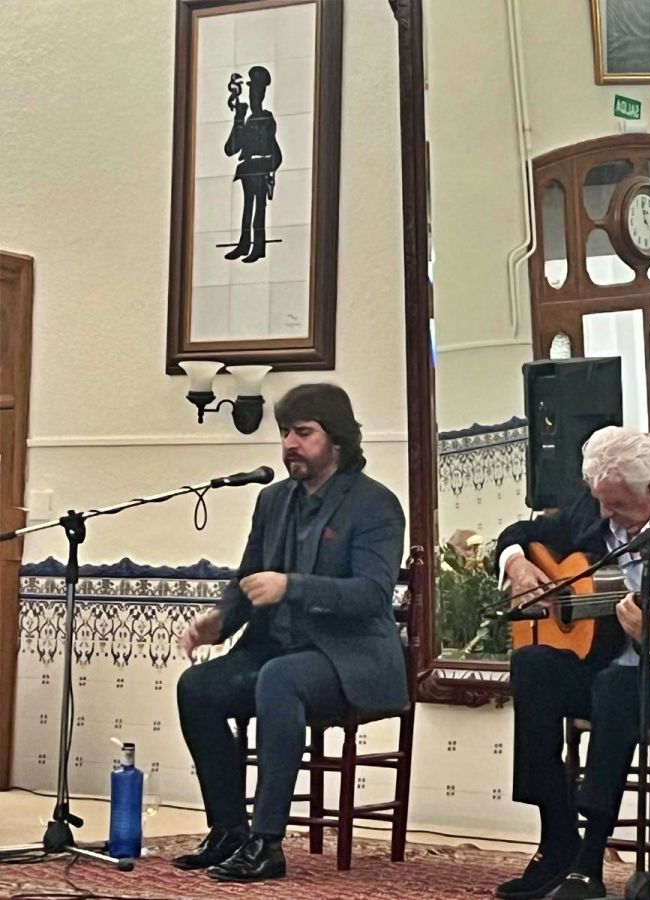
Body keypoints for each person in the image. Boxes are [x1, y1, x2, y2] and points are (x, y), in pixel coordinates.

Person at [495, 427, 650, 900]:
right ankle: (557, 842)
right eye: (600, 502)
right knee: (533, 665)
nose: (605, 514)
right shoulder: (598, 504)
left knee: (618, 685)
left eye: (617, 505)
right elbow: (522, 534)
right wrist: (516, 563)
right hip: (608, 669)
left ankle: (588, 865)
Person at [172, 384, 407, 883]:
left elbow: (370, 594)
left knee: (279, 679)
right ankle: (228, 831)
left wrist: (292, 586)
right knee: (198, 687)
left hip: (348, 658)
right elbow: (247, 576)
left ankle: (267, 843)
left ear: (337, 440)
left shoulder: (375, 505)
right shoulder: (272, 500)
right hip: (275, 649)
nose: (289, 445)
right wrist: (220, 621)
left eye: (304, 433)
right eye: (284, 433)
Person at [224, 65, 283, 262]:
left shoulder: (266, 119)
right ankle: (244, 244)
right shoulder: (249, 119)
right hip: (248, 169)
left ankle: (257, 247)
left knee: (258, 208)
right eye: (251, 89)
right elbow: (230, 149)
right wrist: (238, 119)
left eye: (256, 90)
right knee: (248, 207)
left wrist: (269, 169)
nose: (252, 94)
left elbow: (273, 151)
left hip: (259, 169)